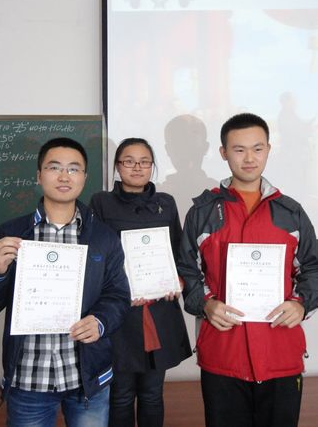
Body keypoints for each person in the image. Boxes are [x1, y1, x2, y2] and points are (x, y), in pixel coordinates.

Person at [0, 137, 131, 427]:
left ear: (84, 178)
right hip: (29, 378)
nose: (64, 176)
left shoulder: (104, 237)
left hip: (87, 379)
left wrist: (100, 321)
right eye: (54, 167)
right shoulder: (10, 234)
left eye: (74, 169)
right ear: (39, 176)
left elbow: (118, 295)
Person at [178, 113, 318, 427]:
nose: (249, 158)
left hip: (280, 353)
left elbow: (314, 267)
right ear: (223, 153)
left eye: (257, 149)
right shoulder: (203, 213)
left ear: (268, 150)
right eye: (239, 149)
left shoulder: (291, 212)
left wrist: (301, 305)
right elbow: (186, 270)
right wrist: (205, 304)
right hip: (223, 353)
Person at [90, 138, 192, 427]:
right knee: (121, 395)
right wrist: (119, 290)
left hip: (159, 312)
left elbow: (178, 251)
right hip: (120, 313)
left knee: (152, 394)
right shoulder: (101, 202)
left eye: (144, 161)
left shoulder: (166, 203)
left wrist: (177, 280)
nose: (137, 167)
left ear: (152, 166)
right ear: (117, 166)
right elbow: (95, 256)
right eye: (129, 161)